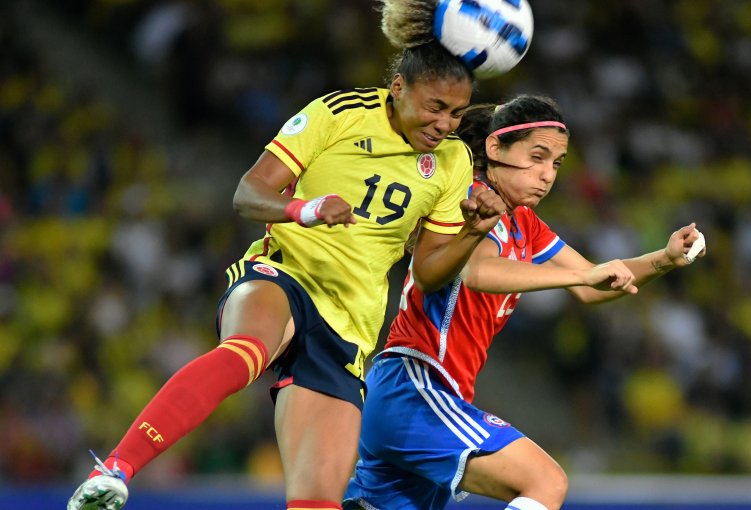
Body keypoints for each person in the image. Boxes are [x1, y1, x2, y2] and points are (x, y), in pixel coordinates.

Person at [66, 1, 507, 509]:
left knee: (318, 501)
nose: (444, 124)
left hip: (349, 325)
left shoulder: (453, 162)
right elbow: (249, 194)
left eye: (455, 113)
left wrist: (472, 233)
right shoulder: (337, 114)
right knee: (248, 350)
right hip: (285, 274)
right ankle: (116, 471)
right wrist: (307, 209)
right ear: (398, 88)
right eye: (434, 107)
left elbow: (428, 275)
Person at [343, 95, 707, 510]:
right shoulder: (468, 198)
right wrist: (580, 275)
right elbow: (479, 272)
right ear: (495, 149)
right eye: (537, 157)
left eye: (556, 163)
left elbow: (592, 285)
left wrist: (663, 258)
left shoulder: (524, 222)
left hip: (427, 395)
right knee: (545, 482)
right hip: (415, 383)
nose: (547, 174)